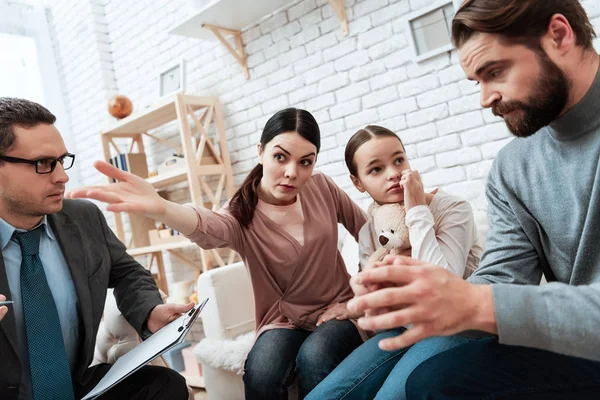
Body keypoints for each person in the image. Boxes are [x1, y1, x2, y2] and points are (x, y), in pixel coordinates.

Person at [345, 1, 600, 398]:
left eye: (494, 72)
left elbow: (489, 299)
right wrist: (422, 297)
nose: (484, 98)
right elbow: (502, 275)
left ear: (559, 35)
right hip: (574, 345)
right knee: (421, 382)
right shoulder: (512, 166)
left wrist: (479, 303)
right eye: (475, 82)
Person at [68, 108, 371, 399]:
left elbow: (371, 235)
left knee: (315, 356)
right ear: (260, 151)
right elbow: (208, 227)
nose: (292, 173)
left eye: (306, 162)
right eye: (280, 156)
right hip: (284, 319)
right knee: (262, 371)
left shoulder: (323, 188)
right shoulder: (242, 212)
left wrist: (360, 298)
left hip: (338, 309)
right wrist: (164, 208)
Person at [0, 97, 191, 400]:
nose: (62, 175)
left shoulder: (83, 217)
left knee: (167, 385)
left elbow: (126, 271)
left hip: (75, 387)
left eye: (62, 160)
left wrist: (150, 311)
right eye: (44, 164)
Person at [307, 125, 482, 400]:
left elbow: (443, 283)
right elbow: (379, 307)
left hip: (454, 326)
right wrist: (362, 299)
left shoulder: (453, 208)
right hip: (405, 328)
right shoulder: (370, 230)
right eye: (376, 169)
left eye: (399, 160)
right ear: (358, 182)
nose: (393, 174)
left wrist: (416, 209)